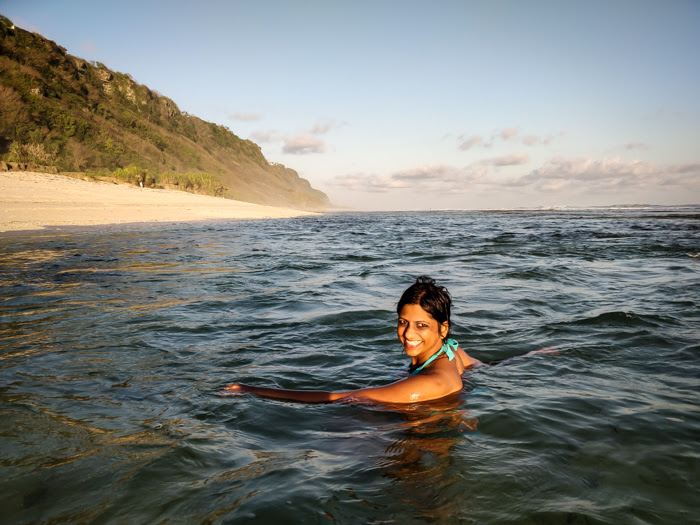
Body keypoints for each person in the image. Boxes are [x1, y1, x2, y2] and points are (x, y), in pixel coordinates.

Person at [221, 276, 482, 404]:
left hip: (420, 447)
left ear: (443, 328)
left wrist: (249, 390)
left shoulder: (431, 381)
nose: (409, 334)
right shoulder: (451, 350)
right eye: (403, 322)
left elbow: (343, 397)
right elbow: (479, 367)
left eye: (421, 326)